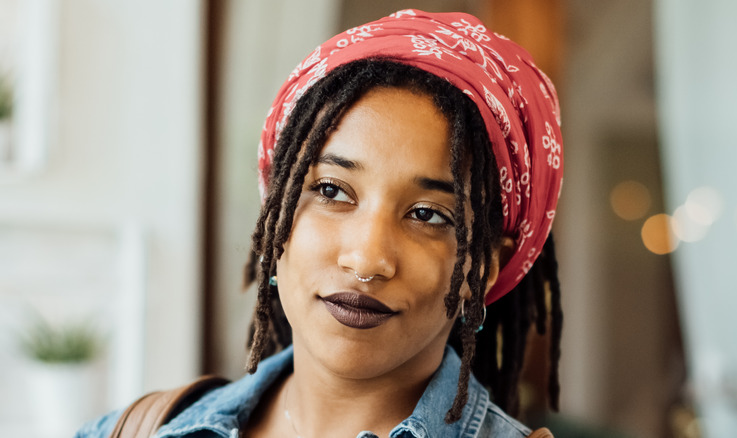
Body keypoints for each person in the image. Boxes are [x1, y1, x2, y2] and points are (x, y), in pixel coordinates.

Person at [75, 9, 563, 438]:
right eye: (331, 191)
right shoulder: (129, 432)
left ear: (484, 265)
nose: (366, 259)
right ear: (276, 217)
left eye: (428, 214)